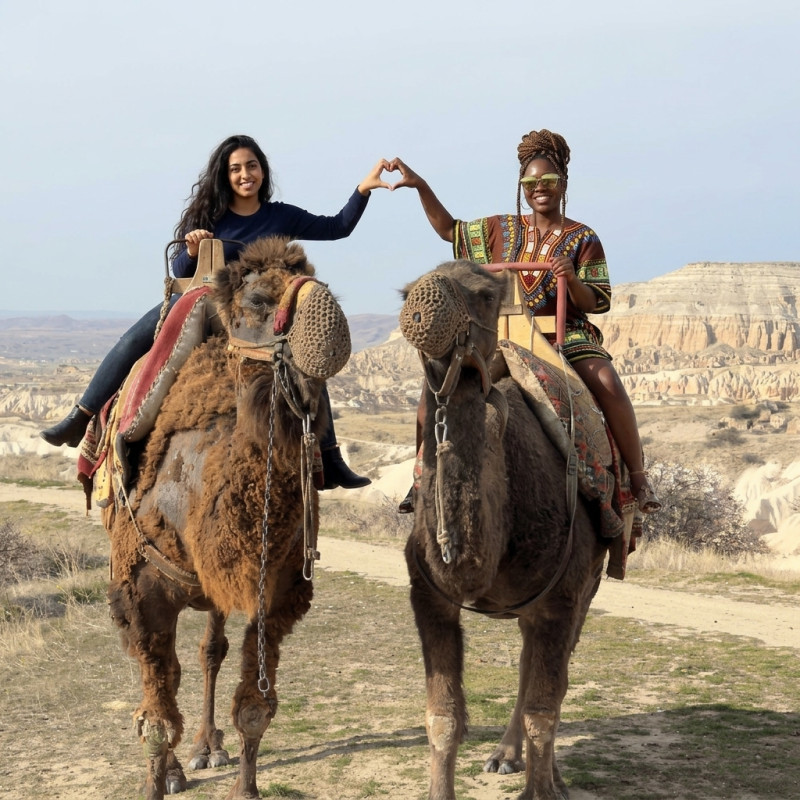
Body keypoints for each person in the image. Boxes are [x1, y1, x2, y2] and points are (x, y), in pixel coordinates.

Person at [42, 134, 393, 490]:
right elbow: (180, 271)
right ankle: (81, 416)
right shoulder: (211, 217)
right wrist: (193, 250)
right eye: (236, 168)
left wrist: (363, 189)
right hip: (207, 301)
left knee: (305, 356)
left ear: (262, 171)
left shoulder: (281, 215)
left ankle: (330, 457)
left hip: (259, 313)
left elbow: (336, 227)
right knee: (135, 338)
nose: (245, 174)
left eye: (252, 166)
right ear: (225, 176)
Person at [388, 129, 661, 513]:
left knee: (607, 382)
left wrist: (572, 278)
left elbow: (597, 300)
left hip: (563, 334)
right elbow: (451, 231)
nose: (540, 189)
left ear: (563, 183)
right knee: (435, 391)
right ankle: (421, 481)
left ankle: (637, 479)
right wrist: (420, 186)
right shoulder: (500, 229)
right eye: (531, 183)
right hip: (503, 334)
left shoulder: (583, 237)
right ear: (522, 186)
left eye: (548, 181)